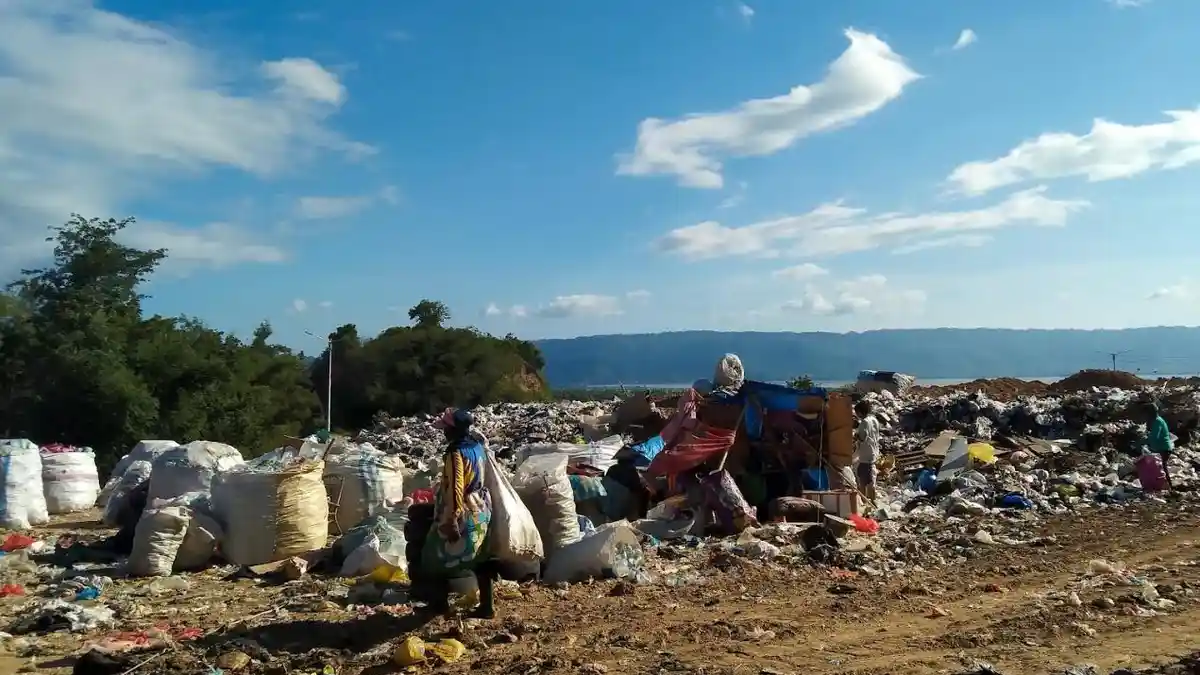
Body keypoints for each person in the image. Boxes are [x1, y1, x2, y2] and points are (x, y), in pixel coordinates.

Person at [421, 407, 498, 618]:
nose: (444, 432)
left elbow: (456, 487)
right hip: (481, 507)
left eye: (446, 428)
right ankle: (487, 606)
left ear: (454, 430)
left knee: (434, 555)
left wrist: (452, 519)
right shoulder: (477, 447)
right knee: (480, 557)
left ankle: (439, 605)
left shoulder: (455, 453)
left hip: (462, 509)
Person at [853, 400, 880, 503]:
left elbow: (862, 437)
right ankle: (870, 501)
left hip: (865, 454)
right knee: (870, 478)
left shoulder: (864, 422)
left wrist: (855, 436)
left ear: (860, 412)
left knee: (865, 481)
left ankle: (868, 502)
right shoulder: (874, 420)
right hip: (873, 452)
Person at [1144, 401, 1174, 491]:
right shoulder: (1158, 420)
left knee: (1162, 468)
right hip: (1162, 447)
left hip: (1163, 448)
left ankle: (1168, 487)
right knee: (1160, 467)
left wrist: (1145, 441)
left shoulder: (1157, 421)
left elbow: (1155, 436)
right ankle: (1164, 486)